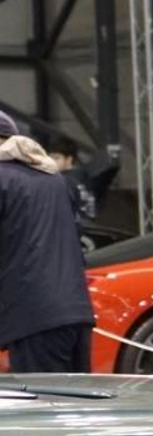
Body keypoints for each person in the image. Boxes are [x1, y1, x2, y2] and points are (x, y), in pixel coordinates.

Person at [0, 111, 95, 372]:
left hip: (34, 317)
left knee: (43, 407)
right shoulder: (55, 179)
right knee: (79, 408)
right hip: (77, 313)